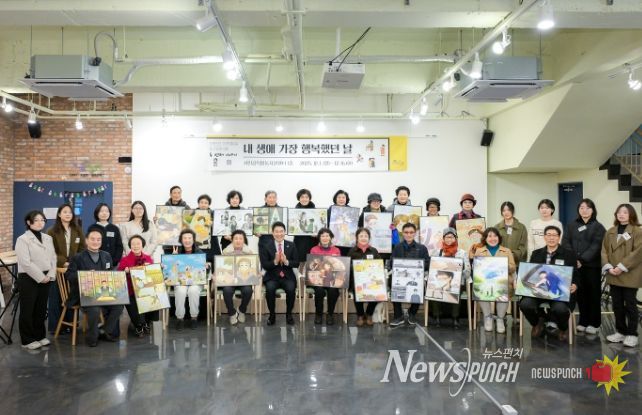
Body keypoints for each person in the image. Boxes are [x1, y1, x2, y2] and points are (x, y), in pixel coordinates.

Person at [519, 225, 579, 341]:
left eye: (555, 235)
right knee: (525, 304)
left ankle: (562, 328)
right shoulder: (536, 253)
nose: (551, 238)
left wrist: (575, 284)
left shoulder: (569, 254)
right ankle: (537, 323)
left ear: (559, 237)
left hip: (558, 292)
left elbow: (575, 274)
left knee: (560, 309)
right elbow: (532, 274)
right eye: (549, 235)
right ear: (544, 237)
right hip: (539, 292)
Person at [65, 228, 123, 347]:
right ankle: (92, 337)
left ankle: (104, 331)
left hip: (103, 292)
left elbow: (110, 273)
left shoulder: (106, 255)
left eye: (98, 239)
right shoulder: (77, 257)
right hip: (84, 294)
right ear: (86, 240)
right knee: (95, 309)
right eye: (92, 239)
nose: (95, 242)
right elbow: (69, 275)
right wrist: (84, 275)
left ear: (101, 241)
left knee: (119, 305)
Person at [562, 198, 606, 335]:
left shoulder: (598, 227)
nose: (584, 210)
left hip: (592, 266)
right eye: (581, 207)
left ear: (593, 210)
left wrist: (581, 259)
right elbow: (565, 242)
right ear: (578, 210)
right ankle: (583, 321)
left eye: (587, 208)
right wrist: (573, 259)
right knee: (580, 295)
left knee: (593, 294)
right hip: (575, 266)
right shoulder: (571, 225)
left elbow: (596, 246)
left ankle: (594, 323)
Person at [15, 210, 57, 350]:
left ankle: (39, 336)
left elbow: (53, 257)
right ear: (29, 222)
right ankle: (27, 340)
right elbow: (25, 262)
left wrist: (50, 275)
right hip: (28, 277)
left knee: (41, 308)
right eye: (36, 220)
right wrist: (41, 277)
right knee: (28, 309)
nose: (40, 223)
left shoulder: (47, 238)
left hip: (46, 276)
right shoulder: (22, 239)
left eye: (42, 220)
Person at [602, 203, 642, 347]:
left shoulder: (637, 231)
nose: (621, 214)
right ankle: (621, 332)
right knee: (617, 305)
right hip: (613, 274)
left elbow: (638, 252)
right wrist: (608, 266)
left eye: (625, 212)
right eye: (619, 212)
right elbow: (604, 251)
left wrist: (621, 267)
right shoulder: (610, 231)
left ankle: (632, 334)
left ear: (631, 214)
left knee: (630, 305)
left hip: (630, 274)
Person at [46, 203, 86, 334]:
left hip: (73, 268)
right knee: (56, 297)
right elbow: (50, 251)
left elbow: (82, 248)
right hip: (57, 268)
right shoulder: (51, 231)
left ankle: (70, 325)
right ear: (59, 214)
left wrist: (74, 263)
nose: (68, 214)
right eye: (65, 212)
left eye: (70, 212)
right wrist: (64, 262)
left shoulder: (77, 229)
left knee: (71, 295)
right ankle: (55, 327)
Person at [472, 227, 516, 334]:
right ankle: (488, 317)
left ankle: (500, 319)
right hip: (486, 281)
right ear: (485, 238)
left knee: (504, 288)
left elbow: (513, 268)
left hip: (502, 282)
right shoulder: (479, 251)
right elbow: (475, 268)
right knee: (480, 287)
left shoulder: (507, 251)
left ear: (499, 238)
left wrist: (504, 266)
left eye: (495, 236)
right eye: (489, 236)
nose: (493, 238)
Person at [429, 227, 470, 329]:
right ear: (443, 239)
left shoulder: (462, 253)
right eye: (447, 237)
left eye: (452, 237)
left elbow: (468, 271)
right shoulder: (437, 252)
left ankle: (455, 318)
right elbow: (431, 269)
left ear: (455, 238)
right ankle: (437, 316)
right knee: (434, 287)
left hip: (456, 282)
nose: (449, 239)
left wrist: (458, 273)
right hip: (440, 281)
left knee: (455, 288)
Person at [389, 223, 429, 326]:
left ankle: (412, 313)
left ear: (415, 233)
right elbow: (392, 262)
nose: (409, 234)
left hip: (416, 278)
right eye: (406, 232)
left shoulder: (422, 248)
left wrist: (417, 267)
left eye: (411, 232)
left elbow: (427, 263)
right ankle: (398, 316)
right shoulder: (397, 247)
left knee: (419, 287)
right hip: (401, 277)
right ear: (402, 233)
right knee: (394, 283)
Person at [259, 221, 299, 326]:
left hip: (287, 276)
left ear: (285, 232)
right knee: (270, 289)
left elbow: (296, 263)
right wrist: (275, 261)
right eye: (276, 231)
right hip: (272, 276)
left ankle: (289, 314)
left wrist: (286, 262)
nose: (279, 234)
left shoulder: (291, 245)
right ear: (272, 233)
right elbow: (265, 265)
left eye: (281, 231)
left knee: (291, 289)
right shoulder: (266, 246)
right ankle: (272, 315)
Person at [117, 235, 154, 337]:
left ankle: (146, 322)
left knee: (154, 298)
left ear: (142, 245)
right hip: (130, 291)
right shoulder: (125, 260)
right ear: (130, 246)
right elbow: (118, 277)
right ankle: (138, 325)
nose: (136, 246)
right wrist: (124, 271)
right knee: (134, 304)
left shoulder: (148, 258)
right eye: (133, 244)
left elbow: (153, 276)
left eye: (138, 243)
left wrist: (154, 268)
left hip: (145, 290)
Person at [172, 229, 207, 330]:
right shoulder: (177, 252)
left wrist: (206, 266)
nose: (187, 240)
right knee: (180, 291)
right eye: (185, 238)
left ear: (193, 239)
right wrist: (173, 259)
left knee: (193, 290)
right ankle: (179, 318)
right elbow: (172, 271)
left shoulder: (199, 252)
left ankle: (194, 318)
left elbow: (203, 270)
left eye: (189, 238)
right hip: (180, 281)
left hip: (195, 281)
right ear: (181, 240)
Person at [348, 227, 382, 326]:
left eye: (366, 236)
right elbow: (347, 266)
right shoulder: (352, 251)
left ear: (369, 238)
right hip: (356, 280)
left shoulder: (374, 251)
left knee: (377, 292)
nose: (363, 238)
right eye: (361, 236)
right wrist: (357, 266)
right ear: (357, 238)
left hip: (371, 280)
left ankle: (369, 314)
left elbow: (379, 265)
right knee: (357, 291)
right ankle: (360, 315)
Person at [221, 229, 255, 325]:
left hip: (244, 280)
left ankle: (242, 310)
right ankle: (232, 313)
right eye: (236, 238)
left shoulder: (249, 252)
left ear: (244, 240)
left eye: (240, 238)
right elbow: (221, 267)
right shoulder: (225, 252)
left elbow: (252, 268)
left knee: (248, 290)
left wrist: (256, 273)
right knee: (227, 291)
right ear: (232, 240)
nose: (238, 241)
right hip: (230, 279)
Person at [309, 228, 342, 325]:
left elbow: (339, 267)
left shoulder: (336, 250)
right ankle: (318, 314)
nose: (325, 238)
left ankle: (330, 314)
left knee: (333, 291)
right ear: (319, 238)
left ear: (331, 237)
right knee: (319, 290)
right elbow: (311, 266)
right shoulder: (314, 250)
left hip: (331, 279)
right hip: (318, 279)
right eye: (322, 236)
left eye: (327, 236)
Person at [90, 203, 124, 267]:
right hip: (96, 264)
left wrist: (114, 261)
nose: (104, 213)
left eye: (106, 211)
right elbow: (89, 246)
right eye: (101, 211)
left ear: (109, 213)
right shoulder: (92, 228)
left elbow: (119, 246)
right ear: (97, 213)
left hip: (113, 264)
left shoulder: (114, 228)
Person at [495, 201, 528, 266]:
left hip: (516, 263)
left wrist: (512, 255)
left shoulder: (522, 227)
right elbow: (494, 245)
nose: (506, 212)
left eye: (509, 210)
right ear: (501, 212)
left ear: (513, 211)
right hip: (500, 263)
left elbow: (523, 246)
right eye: (504, 210)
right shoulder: (497, 227)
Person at [161, 186, 191, 254]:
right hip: (168, 243)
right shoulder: (164, 208)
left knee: (182, 260)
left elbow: (189, 225)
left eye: (179, 193)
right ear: (170, 194)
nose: (177, 195)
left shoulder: (186, 208)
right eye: (174, 193)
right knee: (168, 260)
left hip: (183, 243)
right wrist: (157, 220)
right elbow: (162, 224)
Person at [195, 194, 222, 263]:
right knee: (199, 261)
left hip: (212, 242)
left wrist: (213, 225)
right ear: (198, 204)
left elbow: (220, 229)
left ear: (209, 204)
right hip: (198, 241)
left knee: (214, 261)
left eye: (206, 203)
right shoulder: (192, 214)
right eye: (201, 202)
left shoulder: (214, 214)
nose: (203, 205)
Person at [293, 189, 318, 264]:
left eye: (306, 197)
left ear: (309, 198)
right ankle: (300, 272)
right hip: (299, 241)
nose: (304, 199)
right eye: (302, 197)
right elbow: (293, 227)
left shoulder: (316, 212)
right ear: (299, 198)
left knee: (312, 262)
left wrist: (316, 233)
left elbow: (318, 226)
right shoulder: (294, 212)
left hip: (312, 240)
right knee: (301, 262)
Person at [328, 189, 352, 256]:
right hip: (333, 239)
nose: (341, 199)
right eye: (339, 197)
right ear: (335, 199)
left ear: (346, 199)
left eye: (343, 197)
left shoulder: (351, 210)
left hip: (346, 242)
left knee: (345, 257)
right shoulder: (331, 209)